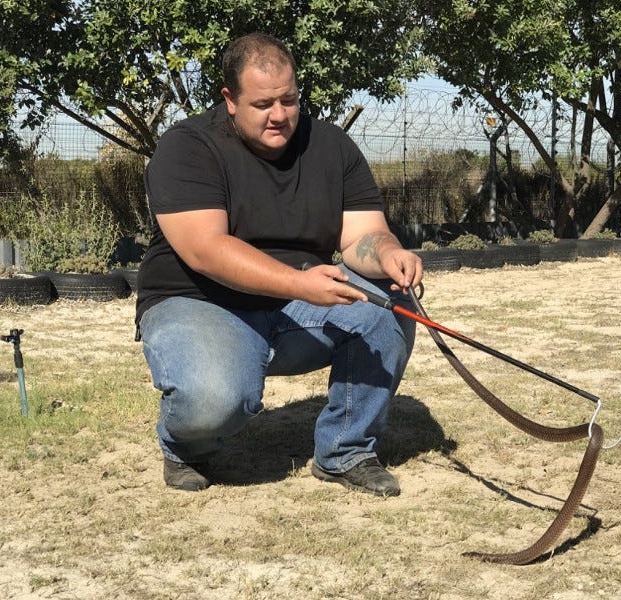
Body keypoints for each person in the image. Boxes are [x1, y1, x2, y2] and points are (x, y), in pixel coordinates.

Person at [135, 32, 423, 497]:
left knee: (387, 303)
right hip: (200, 298)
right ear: (229, 100)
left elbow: (362, 235)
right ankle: (184, 445)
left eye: (289, 100)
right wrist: (299, 284)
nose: (279, 115)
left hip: (297, 300)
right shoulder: (188, 147)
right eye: (263, 103)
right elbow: (205, 249)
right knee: (215, 400)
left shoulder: (331, 146)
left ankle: (345, 451)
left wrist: (388, 253)